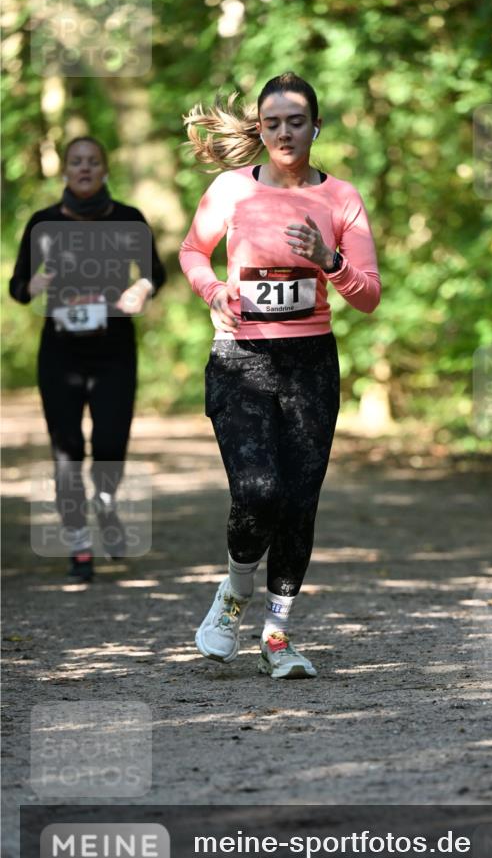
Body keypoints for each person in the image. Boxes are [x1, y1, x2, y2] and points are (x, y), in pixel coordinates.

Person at [179, 72, 381, 679]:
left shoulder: (341, 198)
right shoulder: (230, 190)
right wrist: (213, 288)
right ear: (260, 130)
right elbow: (193, 250)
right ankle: (234, 595)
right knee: (258, 492)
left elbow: (368, 296)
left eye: (297, 121)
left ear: (316, 126)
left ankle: (276, 635)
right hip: (240, 359)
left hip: (310, 365)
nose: (285, 132)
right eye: (273, 123)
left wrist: (331, 261)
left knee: (299, 503)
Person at [9, 135, 166, 582]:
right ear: (64, 170)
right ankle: (78, 543)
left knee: (111, 446)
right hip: (60, 352)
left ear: (104, 169)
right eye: (75, 162)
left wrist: (143, 288)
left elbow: (156, 272)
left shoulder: (128, 219)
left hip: (114, 351)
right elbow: (18, 287)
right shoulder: (42, 223)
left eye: (92, 161)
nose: (83, 168)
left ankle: (107, 504)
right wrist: (32, 286)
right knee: (67, 451)